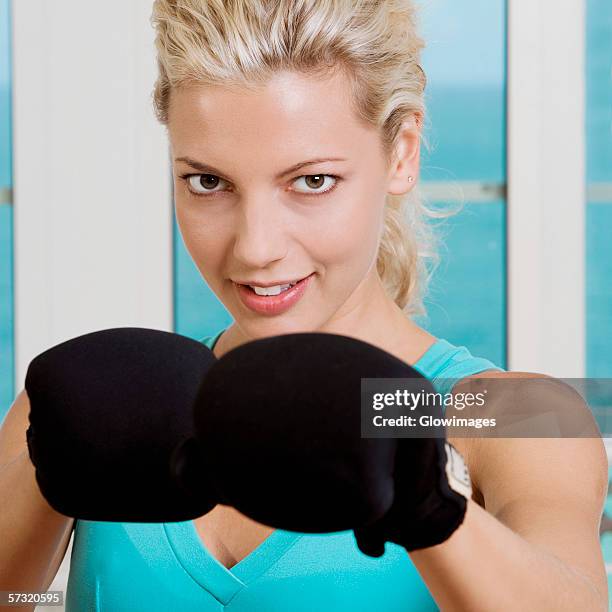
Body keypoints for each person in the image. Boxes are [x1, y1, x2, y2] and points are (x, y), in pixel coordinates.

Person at [0, 1, 607, 610]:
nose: (256, 247)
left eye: (312, 181)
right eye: (208, 182)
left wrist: (427, 500)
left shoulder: (513, 414)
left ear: (402, 154)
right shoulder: (100, 407)